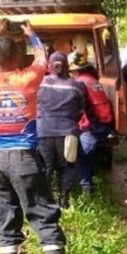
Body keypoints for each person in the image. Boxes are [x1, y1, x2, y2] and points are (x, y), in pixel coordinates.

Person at [0, 18, 73, 254]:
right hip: (25, 159)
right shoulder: (29, 78)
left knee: (5, 218)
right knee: (42, 214)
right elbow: (41, 58)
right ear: (18, 59)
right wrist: (31, 34)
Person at [36, 51, 86, 208]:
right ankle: (64, 198)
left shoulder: (40, 83)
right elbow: (81, 109)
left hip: (43, 131)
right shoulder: (76, 85)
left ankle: (44, 201)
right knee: (69, 165)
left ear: (49, 66)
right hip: (68, 132)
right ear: (67, 65)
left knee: (46, 166)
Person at [69, 51, 113, 194]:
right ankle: (90, 177)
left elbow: (78, 107)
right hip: (104, 121)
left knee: (82, 154)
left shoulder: (80, 83)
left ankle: (86, 189)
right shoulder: (90, 79)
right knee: (87, 152)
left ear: (74, 70)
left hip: (95, 124)